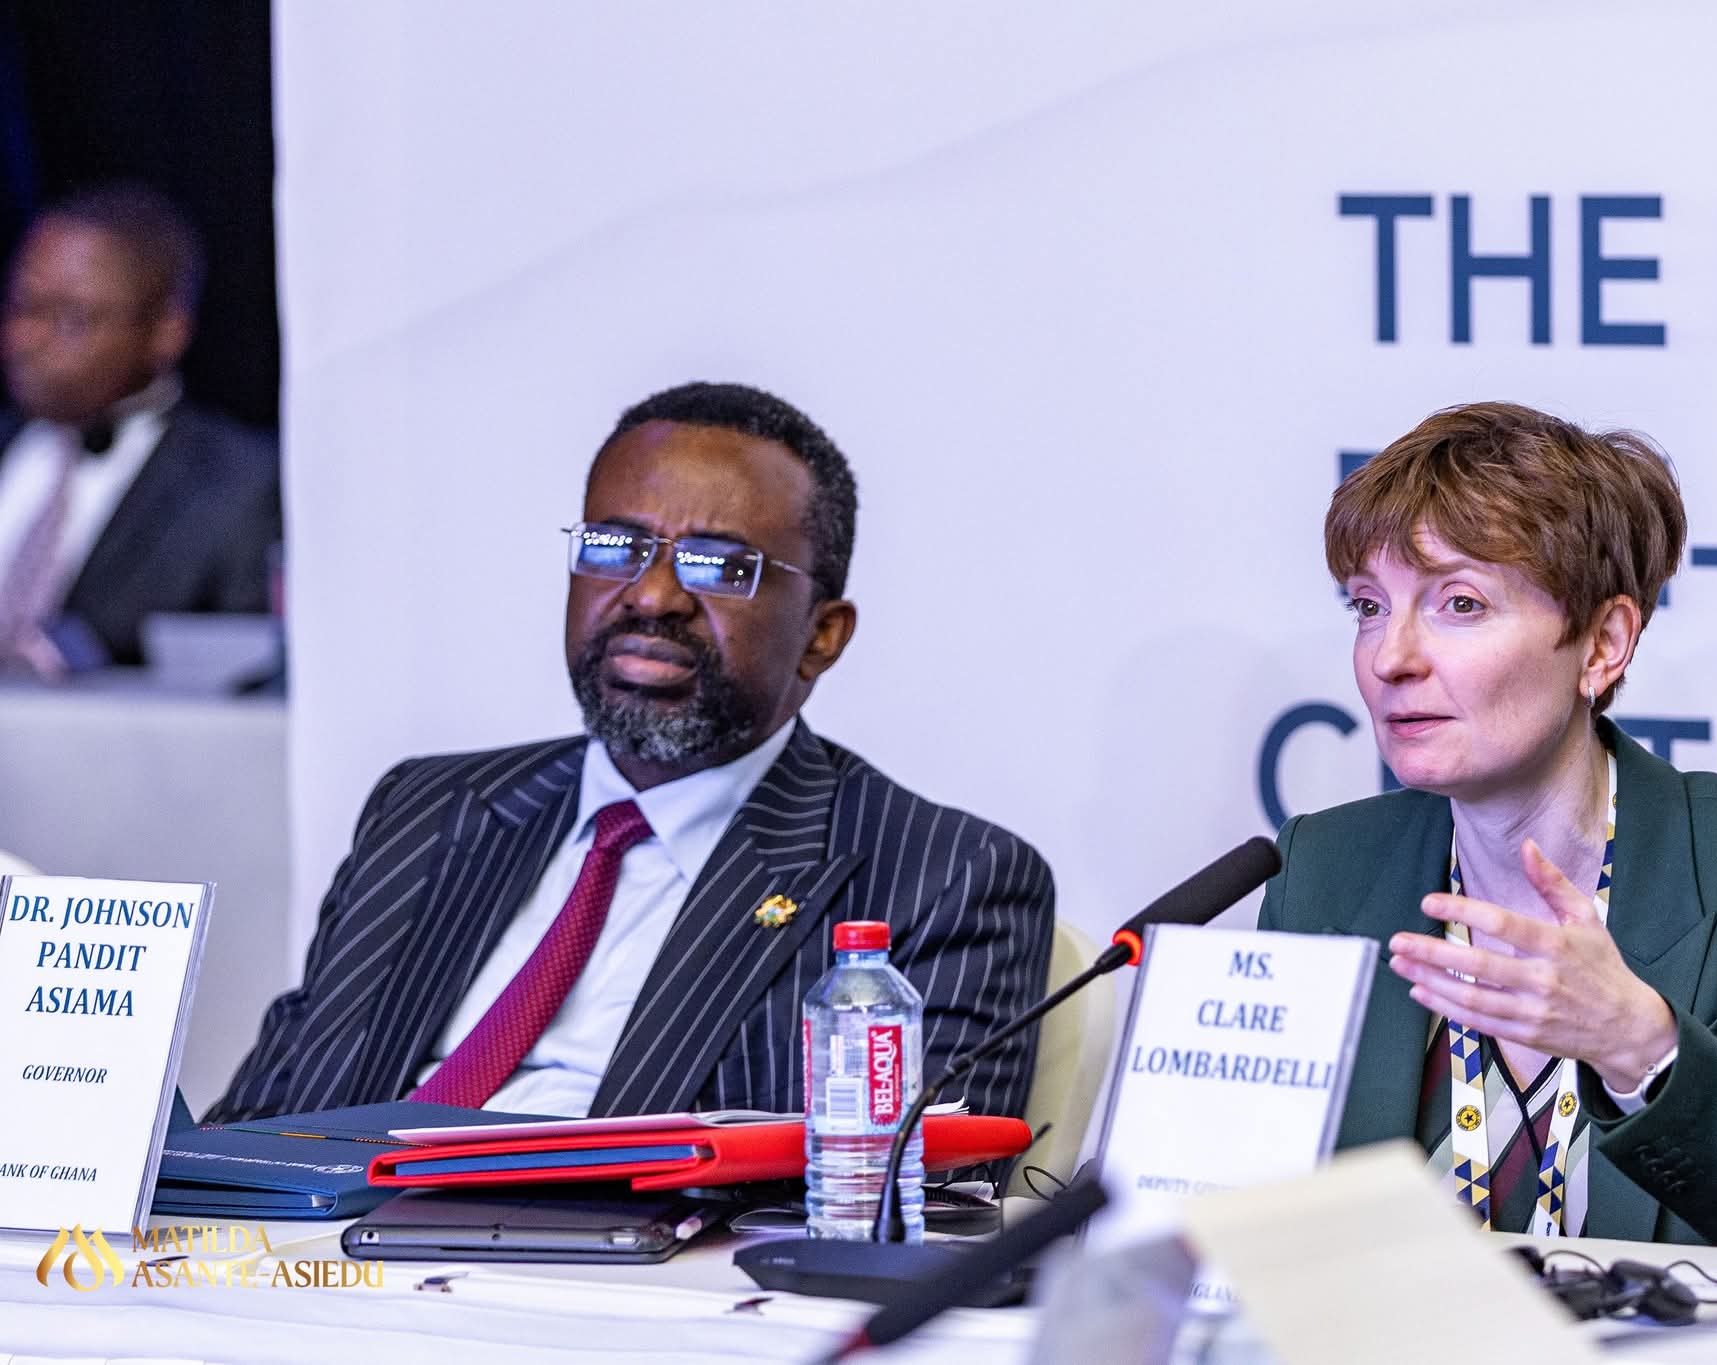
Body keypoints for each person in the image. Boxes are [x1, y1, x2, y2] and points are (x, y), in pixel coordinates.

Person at [209, 382, 1053, 1125]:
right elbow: (268, 1109)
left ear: (822, 635)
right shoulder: (431, 809)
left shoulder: (942, 879)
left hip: (620, 1254)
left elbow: (916, 1194)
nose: (652, 595)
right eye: (615, 548)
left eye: (718, 565)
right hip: (326, 1242)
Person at [1258, 402, 1717, 1250]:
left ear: (1602, 643)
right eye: (1368, 605)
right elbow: (1263, 1213)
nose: (1390, 657)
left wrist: (1639, 1047)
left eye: (1460, 603)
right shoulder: (1321, 869)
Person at [0, 183, 280, 673]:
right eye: (22, 307)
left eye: (70, 318)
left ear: (165, 331)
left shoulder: (240, 488)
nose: (26, 338)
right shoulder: (11, 445)